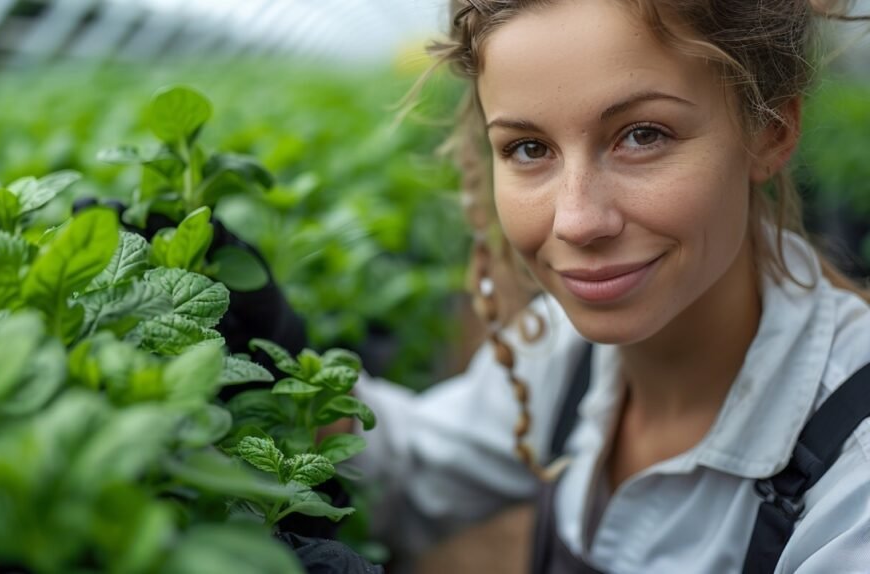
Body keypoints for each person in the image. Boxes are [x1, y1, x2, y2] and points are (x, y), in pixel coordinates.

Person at [337, 0, 870, 573]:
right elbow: (415, 470)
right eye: (529, 148)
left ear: (770, 131)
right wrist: (286, 380)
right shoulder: (560, 350)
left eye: (643, 135)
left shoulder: (851, 478)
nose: (577, 221)